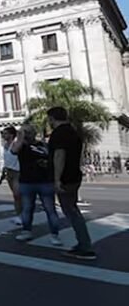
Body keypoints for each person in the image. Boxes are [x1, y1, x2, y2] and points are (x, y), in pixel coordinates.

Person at [47, 107, 96, 260]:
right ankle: (83, 244)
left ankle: (85, 246)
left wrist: (56, 179)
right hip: (74, 175)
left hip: (65, 178)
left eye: (49, 119)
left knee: (71, 211)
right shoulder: (74, 132)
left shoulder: (58, 134)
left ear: (52, 118)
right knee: (72, 209)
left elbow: (59, 156)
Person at [10, 123, 62, 244]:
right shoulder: (21, 146)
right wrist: (20, 138)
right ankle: (26, 231)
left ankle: (55, 234)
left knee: (50, 209)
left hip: (44, 181)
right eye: (24, 132)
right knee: (27, 208)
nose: (26, 134)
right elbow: (13, 151)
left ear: (33, 133)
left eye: (28, 132)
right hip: (27, 181)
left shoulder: (43, 145)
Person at [1, 126, 22, 226]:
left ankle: (22, 215)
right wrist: (2, 174)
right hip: (9, 172)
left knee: (18, 195)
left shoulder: (15, 144)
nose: (3, 135)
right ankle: (19, 215)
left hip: (17, 171)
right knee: (15, 195)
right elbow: (6, 160)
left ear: (11, 135)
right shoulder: (5, 145)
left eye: (5, 133)